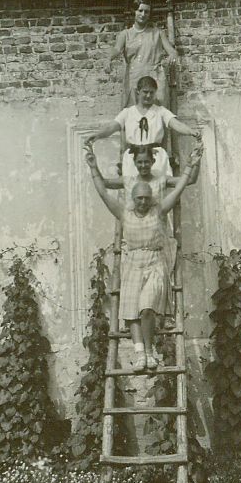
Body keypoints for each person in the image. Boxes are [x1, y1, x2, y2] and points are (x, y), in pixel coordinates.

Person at [85, 144, 203, 371]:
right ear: (133, 198)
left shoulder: (159, 211)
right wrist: (93, 166)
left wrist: (191, 164)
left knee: (147, 308)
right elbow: (102, 192)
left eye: (146, 198)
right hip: (132, 262)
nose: (143, 202)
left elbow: (179, 188)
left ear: (152, 198)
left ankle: (149, 352)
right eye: (139, 198)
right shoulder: (124, 213)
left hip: (155, 262)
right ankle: (140, 354)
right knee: (131, 311)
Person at [85, 75, 201, 177]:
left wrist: (191, 131)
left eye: (152, 92)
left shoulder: (160, 111)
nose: (148, 95)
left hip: (155, 156)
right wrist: (97, 135)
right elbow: (111, 127)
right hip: (134, 157)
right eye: (145, 92)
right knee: (133, 189)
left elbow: (176, 124)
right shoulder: (128, 112)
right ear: (138, 92)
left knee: (157, 188)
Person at [107, 0, 178, 107]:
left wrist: (171, 57)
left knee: (157, 112)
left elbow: (172, 52)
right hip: (134, 78)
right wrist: (108, 59)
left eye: (146, 12)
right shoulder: (125, 34)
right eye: (140, 10)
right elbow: (116, 49)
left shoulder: (158, 33)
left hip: (155, 77)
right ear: (134, 11)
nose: (143, 14)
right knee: (134, 111)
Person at [100, 144, 202, 209]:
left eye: (146, 162)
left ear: (152, 162)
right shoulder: (128, 181)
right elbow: (102, 183)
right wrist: (93, 166)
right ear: (134, 162)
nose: (143, 165)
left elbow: (190, 180)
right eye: (140, 162)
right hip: (133, 229)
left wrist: (196, 163)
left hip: (156, 230)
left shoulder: (161, 180)